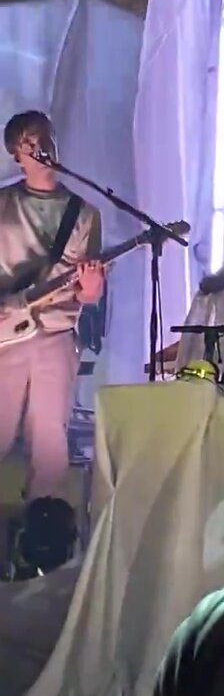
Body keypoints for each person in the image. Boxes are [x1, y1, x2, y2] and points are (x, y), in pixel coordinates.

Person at [0, 111, 104, 500]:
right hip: (4, 338)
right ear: (16, 155)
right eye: (29, 143)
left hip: (56, 335)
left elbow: (87, 294)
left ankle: (41, 524)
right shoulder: (3, 204)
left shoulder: (85, 213)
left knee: (50, 447)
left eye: (46, 139)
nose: (41, 149)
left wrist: (91, 287)